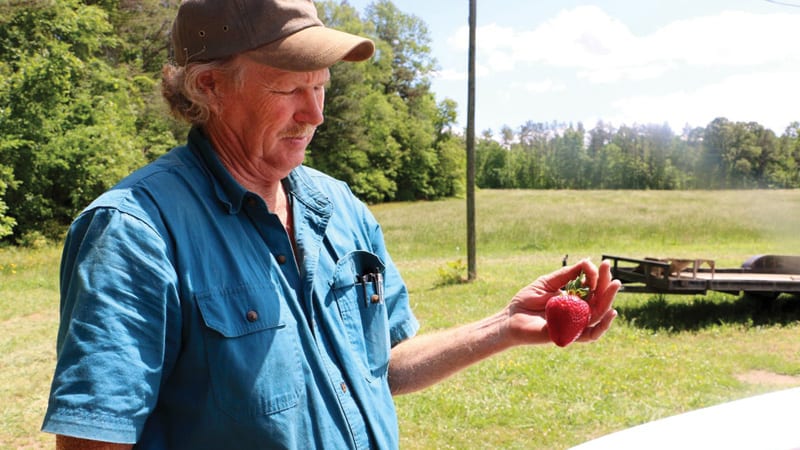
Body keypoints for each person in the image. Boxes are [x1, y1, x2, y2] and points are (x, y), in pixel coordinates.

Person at [41, 0, 621, 448]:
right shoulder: (135, 232)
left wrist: (504, 325)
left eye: (320, 87)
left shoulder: (340, 208)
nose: (315, 114)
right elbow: (95, 438)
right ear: (209, 86)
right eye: (289, 88)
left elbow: (378, 365)